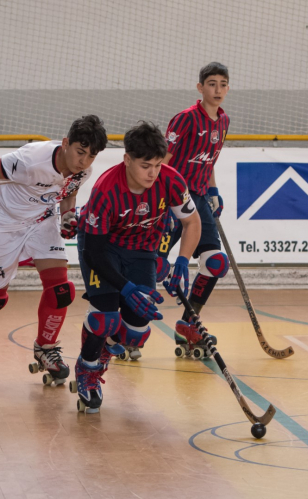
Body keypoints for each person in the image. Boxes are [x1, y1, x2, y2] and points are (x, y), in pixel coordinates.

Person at [0, 115, 108, 386]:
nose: (83, 161)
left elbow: (68, 193)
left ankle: (46, 349)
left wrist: (69, 216)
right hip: (3, 220)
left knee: (61, 290)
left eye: (91, 157)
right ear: (65, 144)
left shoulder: (83, 171)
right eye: (80, 152)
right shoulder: (30, 160)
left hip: (41, 220)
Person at [73, 121, 201, 413]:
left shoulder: (170, 180)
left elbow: (191, 222)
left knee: (136, 333)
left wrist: (181, 260)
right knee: (105, 316)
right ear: (127, 159)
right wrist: (125, 287)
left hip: (142, 248)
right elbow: (94, 253)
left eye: (157, 165)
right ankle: (88, 367)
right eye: (146, 166)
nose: (153, 173)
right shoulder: (105, 190)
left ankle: (106, 345)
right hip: (101, 248)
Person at [156, 62, 231, 355]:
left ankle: (188, 323)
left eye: (223, 84)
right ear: (200, 88)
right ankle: (124, 326)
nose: (218, 90)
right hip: (172, 200)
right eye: (211, 84)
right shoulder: (186, 119)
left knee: (215, 263)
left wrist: (213, 191)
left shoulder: (223, 121)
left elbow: (208, 161)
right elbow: (162, 161)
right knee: (155, 266)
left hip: (199, 199)